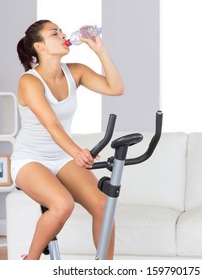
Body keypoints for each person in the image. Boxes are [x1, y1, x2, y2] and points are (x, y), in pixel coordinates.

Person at [11, 19, 124, 260]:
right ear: (39, 47)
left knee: (103, 207)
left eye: (62, 31)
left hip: (61, 156)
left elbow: (116, 89)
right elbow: (51, 124)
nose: (63, 35)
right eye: (54, 33)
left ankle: (106, 268)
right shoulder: (29, 81)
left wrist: (99, 50)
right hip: (30, 159)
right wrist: (77, 152)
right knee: (63, 205)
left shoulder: (76, 71)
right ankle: (30, 262)